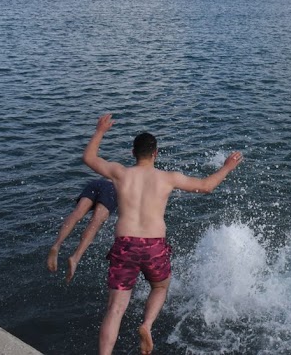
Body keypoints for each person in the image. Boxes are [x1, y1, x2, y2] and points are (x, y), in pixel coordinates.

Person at [83, 114, 243, 355]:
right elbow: (207, 186)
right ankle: (147, 324)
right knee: (159, 287)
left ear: (132, 153)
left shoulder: (120, 173)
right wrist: (227, 167)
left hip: (125, 244)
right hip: (154, 246)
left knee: (115, 308)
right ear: (156, 153)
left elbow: (89, 158)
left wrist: (100, 131)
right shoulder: (168, 178)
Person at [47, 178, 118, 284]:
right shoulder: (137, 183)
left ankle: (56, 245)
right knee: (95, 221)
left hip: (98, 183)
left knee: (77, 213)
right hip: (113, 189)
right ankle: (76, 257)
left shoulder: (121, 171)